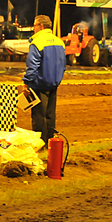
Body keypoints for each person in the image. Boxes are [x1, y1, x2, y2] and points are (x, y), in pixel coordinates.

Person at [22, 15, 66, 147]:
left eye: (34, 26)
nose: (33, 29)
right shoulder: (59, 42)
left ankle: (40, 145)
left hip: (39, 85)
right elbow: (63, 65)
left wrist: (26, 82)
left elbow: (33, 65)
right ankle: (51, 143)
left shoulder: (37, 42)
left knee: (39, 116)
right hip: (54, 84)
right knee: (50, 115)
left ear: (41, 26)